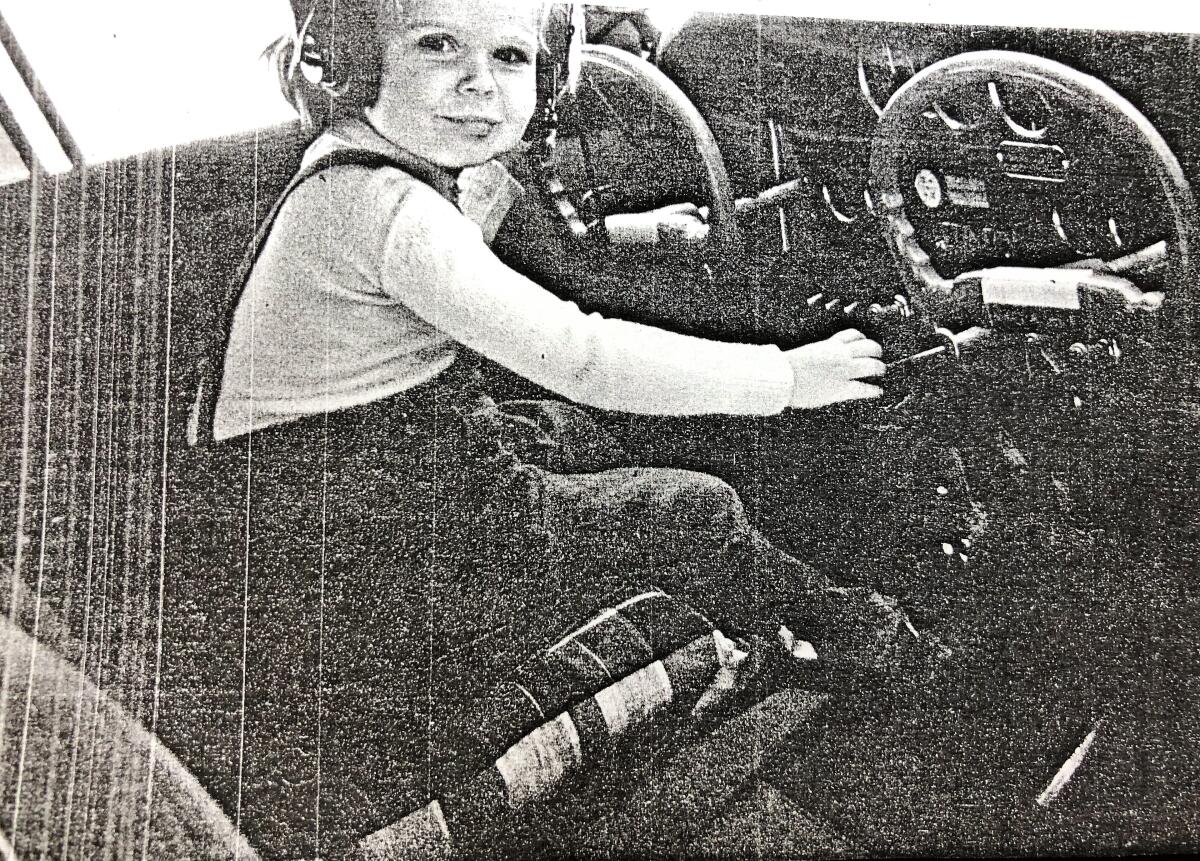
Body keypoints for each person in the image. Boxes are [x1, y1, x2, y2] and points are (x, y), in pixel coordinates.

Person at [163, 1, 946, 856]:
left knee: (569, 430)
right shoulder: (390, 212)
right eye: (437, 46)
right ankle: (870, 641)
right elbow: (580, 351)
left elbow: (496, 242)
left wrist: (625, 232)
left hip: (332, 474)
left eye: (510, 56)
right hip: (359, 525)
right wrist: (788, 376)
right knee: (692, 505)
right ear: (358, 64)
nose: (478, 84)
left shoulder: (366, 166)